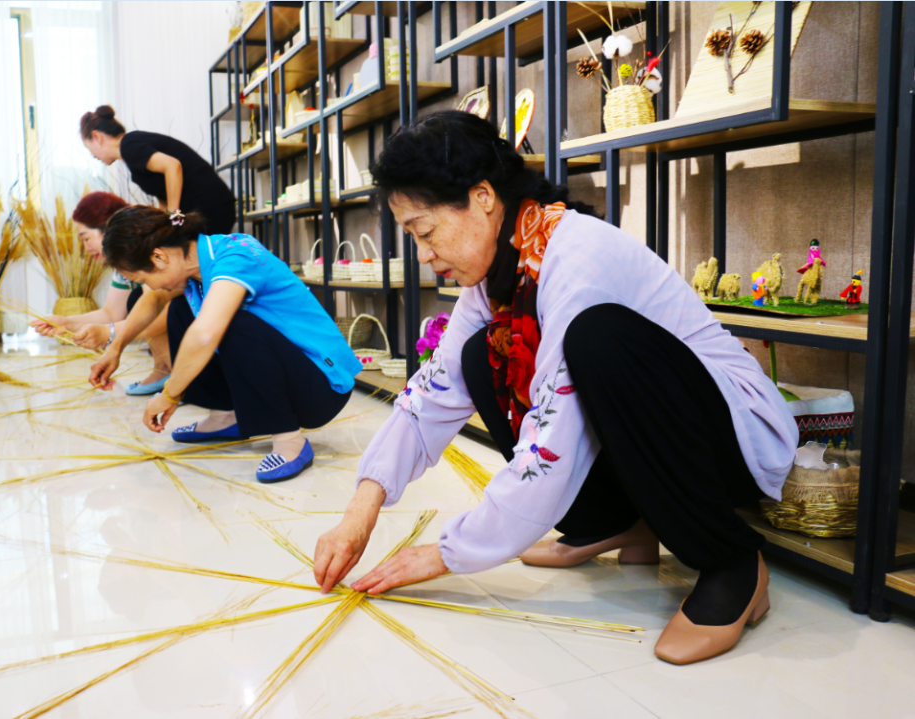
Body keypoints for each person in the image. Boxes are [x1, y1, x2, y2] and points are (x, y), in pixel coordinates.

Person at [312, 111, 798, 666]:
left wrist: (448, 553)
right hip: (664, 441)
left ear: (482, 197)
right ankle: (620, 524)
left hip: (730, 444)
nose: (423, 254)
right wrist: (360, 511)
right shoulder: (497, 272)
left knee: (596, 339)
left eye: (426, 232)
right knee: (477, 357)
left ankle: (732, 561)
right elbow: (431, 393)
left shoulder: (575, 256)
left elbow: (551, 441)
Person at [87, 206, 361, 483]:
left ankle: (290, 442)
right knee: (180, 311)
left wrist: (169, 394)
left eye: (144, 279)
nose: (152, 286)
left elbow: (206, 334)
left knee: (227, 323)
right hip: (293, 376)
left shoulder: (235, 256)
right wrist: (115, 348)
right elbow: (154, 300)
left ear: (159, 256)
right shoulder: (196, 267)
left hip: (322, 385)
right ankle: (225, 416)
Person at [30, 192, 180, 394]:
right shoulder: (122, 267)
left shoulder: (149, 255)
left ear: (109, 230)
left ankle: (174, 373)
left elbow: (160, 311)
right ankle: (164, 370)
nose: (86, 248)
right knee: (138, 299)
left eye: (86, 238)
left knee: (139, 299)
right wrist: (66, 322)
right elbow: (111, 313)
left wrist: (109, 334)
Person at [79, 105, 236, 233]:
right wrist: (162, 224)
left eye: (89, 148)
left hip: (211, 207)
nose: (93, 156)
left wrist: (174, 216)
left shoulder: (129, 146)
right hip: (208, 207)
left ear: (97, 137)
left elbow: (172, 166)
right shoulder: (131, 153)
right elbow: (164, 195)